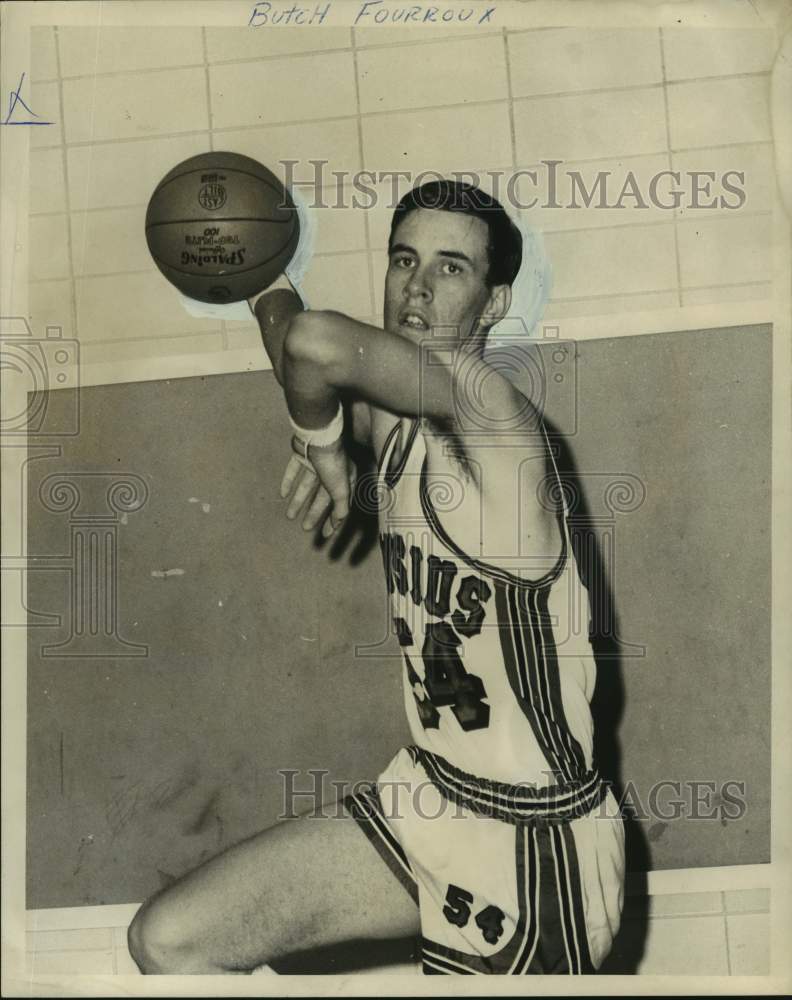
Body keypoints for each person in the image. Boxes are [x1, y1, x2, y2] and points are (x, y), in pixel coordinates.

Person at [127, 180, 625, 976]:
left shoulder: (496, 420)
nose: (418, 287)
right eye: (404, 260)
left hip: (536, 849)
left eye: (451, 268)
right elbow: (294, 337)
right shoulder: (391, 420)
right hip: (427, 798)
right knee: (169, 940)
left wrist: (316, 439)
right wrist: (260, 278)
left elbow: (317, 345)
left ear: (494, 304)